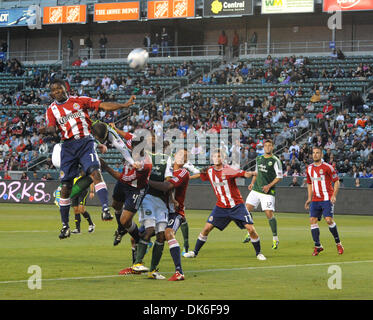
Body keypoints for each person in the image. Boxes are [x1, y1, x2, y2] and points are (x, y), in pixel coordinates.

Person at [39, 78, 136, 239]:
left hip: (85, 142)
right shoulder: (52, 110)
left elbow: (103, 105)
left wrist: (124, 105)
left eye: (59, 89)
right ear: (51, 93)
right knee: (66, 187)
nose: (57, 92)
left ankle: (105, 209)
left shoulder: (79, 101)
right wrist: (45, 130)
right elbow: (51, 127)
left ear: (66, 89)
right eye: (54, 90)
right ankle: (65, 226)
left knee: (95, 172)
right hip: (68, 148)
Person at [184, 149, 266, 261]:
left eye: (219, 156)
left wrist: (250, 174)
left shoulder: (229, 170)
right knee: (207, 228)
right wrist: (187, 178)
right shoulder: (209, 171)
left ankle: (259, 253)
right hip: (221, 207)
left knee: (251, 230)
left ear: (223, 159)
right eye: (214, 156)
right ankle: (194, 252)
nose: (216, 158)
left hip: (237, 206)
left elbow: (243, 173)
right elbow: (199, 175)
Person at [146, 149, 190, 281]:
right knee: (140, 236)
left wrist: (146, 181)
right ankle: (138, 266)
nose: (182, 157)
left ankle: (179, 272)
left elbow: (167, 186)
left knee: (168, 233)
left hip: (175, 213)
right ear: (174, 156)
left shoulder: (183, 172)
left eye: (185, 156)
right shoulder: (165, 170)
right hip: (161, 212)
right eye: (180, 154)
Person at [244, 140, 283, 249]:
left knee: (269, 214)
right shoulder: (259, 158)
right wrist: (252, 183)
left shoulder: (275, 161)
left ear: (272, 147)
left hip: (268, 191)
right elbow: (256, 173)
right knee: (246, 210)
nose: (267, 147)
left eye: (269, 146)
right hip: (256, 189)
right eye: (265, 146)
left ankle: (275, 238)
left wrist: (269, 186)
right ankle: (250, 232)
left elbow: (279, 177)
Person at [304, 146, 344, 256]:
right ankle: (318, 246)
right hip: (315, 199)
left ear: (321, 155)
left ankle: (338, 243)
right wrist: (309, 198)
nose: (315, 154)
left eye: (317, 153)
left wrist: (334, 195)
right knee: (312, 220)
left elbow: (336, 181)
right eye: (313, 153)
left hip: (327, 198)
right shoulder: (309, 169)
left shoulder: (328, 167)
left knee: (329, 220)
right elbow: (309, 183)